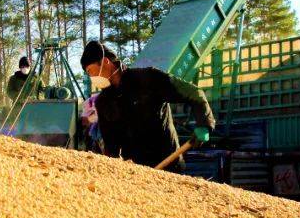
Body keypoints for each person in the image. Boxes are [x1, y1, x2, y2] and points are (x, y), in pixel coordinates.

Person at [79, 40, 215, 173]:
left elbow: (193, 93)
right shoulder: (103, 102)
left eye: (91, 71)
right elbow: (111, 145)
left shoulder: (148, 79)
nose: (92, 77)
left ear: (105, 62)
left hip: (169, 165)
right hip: (137, 174)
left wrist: (204, 123)